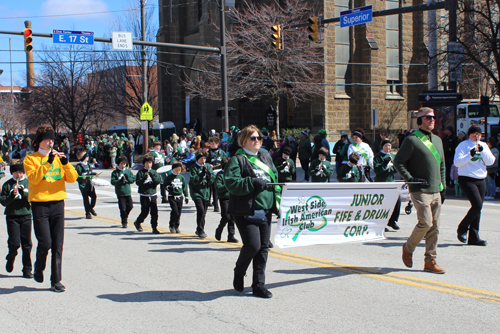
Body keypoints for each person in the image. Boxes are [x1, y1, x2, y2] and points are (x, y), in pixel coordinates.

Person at [224, 125, 279, 298]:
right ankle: (239, 271)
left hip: (266, 209)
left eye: (259, 138)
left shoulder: (265, 156)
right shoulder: (237, 159)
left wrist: (277, 202)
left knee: (263, 249)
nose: (257, 141)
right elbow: (231, 183)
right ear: (243, 140)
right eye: (253, 138)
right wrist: (251, 182)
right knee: (253, 245)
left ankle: (258, 285)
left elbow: (274, 177)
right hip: (245, 210)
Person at [24, 126, 78, 292]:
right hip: (40, 203)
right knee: (45, 242)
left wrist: (66, 163)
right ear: (39, 141)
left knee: (57, 243)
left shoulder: (58, 159)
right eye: (47, 140)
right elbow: (33, 179)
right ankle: (39, 266)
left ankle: (56, 280)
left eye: (52, 140)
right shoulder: (30, 159)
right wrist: (47, 163)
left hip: (57, 203)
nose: (51, 143)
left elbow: (72, 178)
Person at [393, 107, 446, 274]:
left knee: (435, 227)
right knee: (426, 222)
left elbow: (442, 165)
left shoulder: (437, 140)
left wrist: (442, 186)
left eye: (433, 117)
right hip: (420, 189)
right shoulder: (412, 139)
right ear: (419, 120)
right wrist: (409, 178)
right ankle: (408, 248)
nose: (431, 119)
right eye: (427, 117)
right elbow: (399, 162)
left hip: (435, 189)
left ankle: (430, 261)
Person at [454, 125, 495, 246]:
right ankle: (462, 227)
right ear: (469, 135)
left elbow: (491, 161)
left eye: (479, 135)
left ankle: (474, 237)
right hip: (467, 178)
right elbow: (457, 162)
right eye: (474, 134)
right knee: (476, 204)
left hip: (481, 178)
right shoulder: (463, 145)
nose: (476, 137)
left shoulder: (484, 145)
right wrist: (470, 154)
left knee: (478, 208)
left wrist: (483, 151)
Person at [0, 163, 32, 278]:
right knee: (14, 242)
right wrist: (11, 196)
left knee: (27, 243)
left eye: (21, 172)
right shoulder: (7, 185)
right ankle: (11, 256)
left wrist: (24, 193)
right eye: (17, 172)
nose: (19, 174)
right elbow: (3, 201)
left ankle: (27, 269)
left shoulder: (28, 183)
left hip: (26, 215)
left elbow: (32, 197)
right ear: (13, 173)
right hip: (12, 216)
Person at [373, 139, 400, 231]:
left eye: (389, 145)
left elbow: (397, 171)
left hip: (391, 181)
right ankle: (381, 223)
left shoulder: (392, 156)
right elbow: (377, 170)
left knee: (397, 200)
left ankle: (392, 220)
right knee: (382, 203)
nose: (388, 147)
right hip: (381, 182)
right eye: (386, 145)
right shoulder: (378, 156)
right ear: (382, 146)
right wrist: (384, 163)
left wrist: (394, 165)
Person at [189, 149, 215, 238]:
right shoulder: (194, 167)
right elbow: (194, 180)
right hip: (197, 192)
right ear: (197, 159)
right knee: (200, 209)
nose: (203, 161)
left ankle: (198, 228)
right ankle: (201, 230)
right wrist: (201, 174)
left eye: (204, 158)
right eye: (201, 159)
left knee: (203, 213)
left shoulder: (207, 166)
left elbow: (212, 180)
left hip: (206, 193)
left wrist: (208, 175)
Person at [134, 155, 162, 234]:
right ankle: (138, 222)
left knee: (154, 212)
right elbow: (138, 183)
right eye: (146, 163)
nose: (148, 164)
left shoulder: (154, 172)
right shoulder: (141, 172)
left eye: (150, 163)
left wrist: (153, 177)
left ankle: (154, 227)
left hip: (152, 194)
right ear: (144, 164)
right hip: (144, 194)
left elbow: (157, 181)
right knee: (145, 211)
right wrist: (143, 179)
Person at [214, 157, 239, 243]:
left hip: (233, 197)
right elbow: (218, 187)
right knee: (226, 216)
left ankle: (231, 236)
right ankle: (219, 229)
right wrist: (228, 185)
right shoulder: (220, 175)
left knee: (232, 217)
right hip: (224, 198)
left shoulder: (233, 175)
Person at [163, 161, 189, 233]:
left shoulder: (181, 177)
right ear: (173, 170)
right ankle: (172, 225)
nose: (178, 172)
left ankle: (177, 226)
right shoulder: (169, 177)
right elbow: (164, 185)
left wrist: (186, 196)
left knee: (179, 212)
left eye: (179, 170)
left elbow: (184, 187)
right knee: (175, 211)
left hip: (179, 196)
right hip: (172, 196)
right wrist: (169, 187)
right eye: (176, 170)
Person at [110, 156, 136, 228]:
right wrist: (120, 181)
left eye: (124, 164)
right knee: (122, 208)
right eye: (121, 164)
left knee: (130, 206)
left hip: (127, 191)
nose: (123, 165)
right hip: (120, 192)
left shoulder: (128, 171)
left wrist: (128, 178)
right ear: (118, 164)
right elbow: (113, 182)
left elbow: (132, 180)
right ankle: (124, 221)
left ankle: (125, 216)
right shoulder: (115, 172)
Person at [75, 149, 98, 219]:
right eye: (86, 156)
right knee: (86, 199)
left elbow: (90, 173)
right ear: (83, 157)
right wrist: (81, 178)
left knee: (94, 196)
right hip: (83, 185)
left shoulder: (87, 164)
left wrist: (95, 174)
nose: (88, 157)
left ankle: (91, 208)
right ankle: (87, 213)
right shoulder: (79, 166)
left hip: (89, 184)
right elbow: (76, 176)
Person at [208, 136, 227, 212]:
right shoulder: (209, 153)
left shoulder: (222, 152)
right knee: (212, 188)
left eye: (213, 144)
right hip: (212, 172)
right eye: (211, 144)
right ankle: (213, 203)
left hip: (219, 172)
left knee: (217, 188)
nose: (212, 145)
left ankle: (217, 205)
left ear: (217, 144)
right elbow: (205, 161)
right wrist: (208, 165)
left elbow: (226, 160)